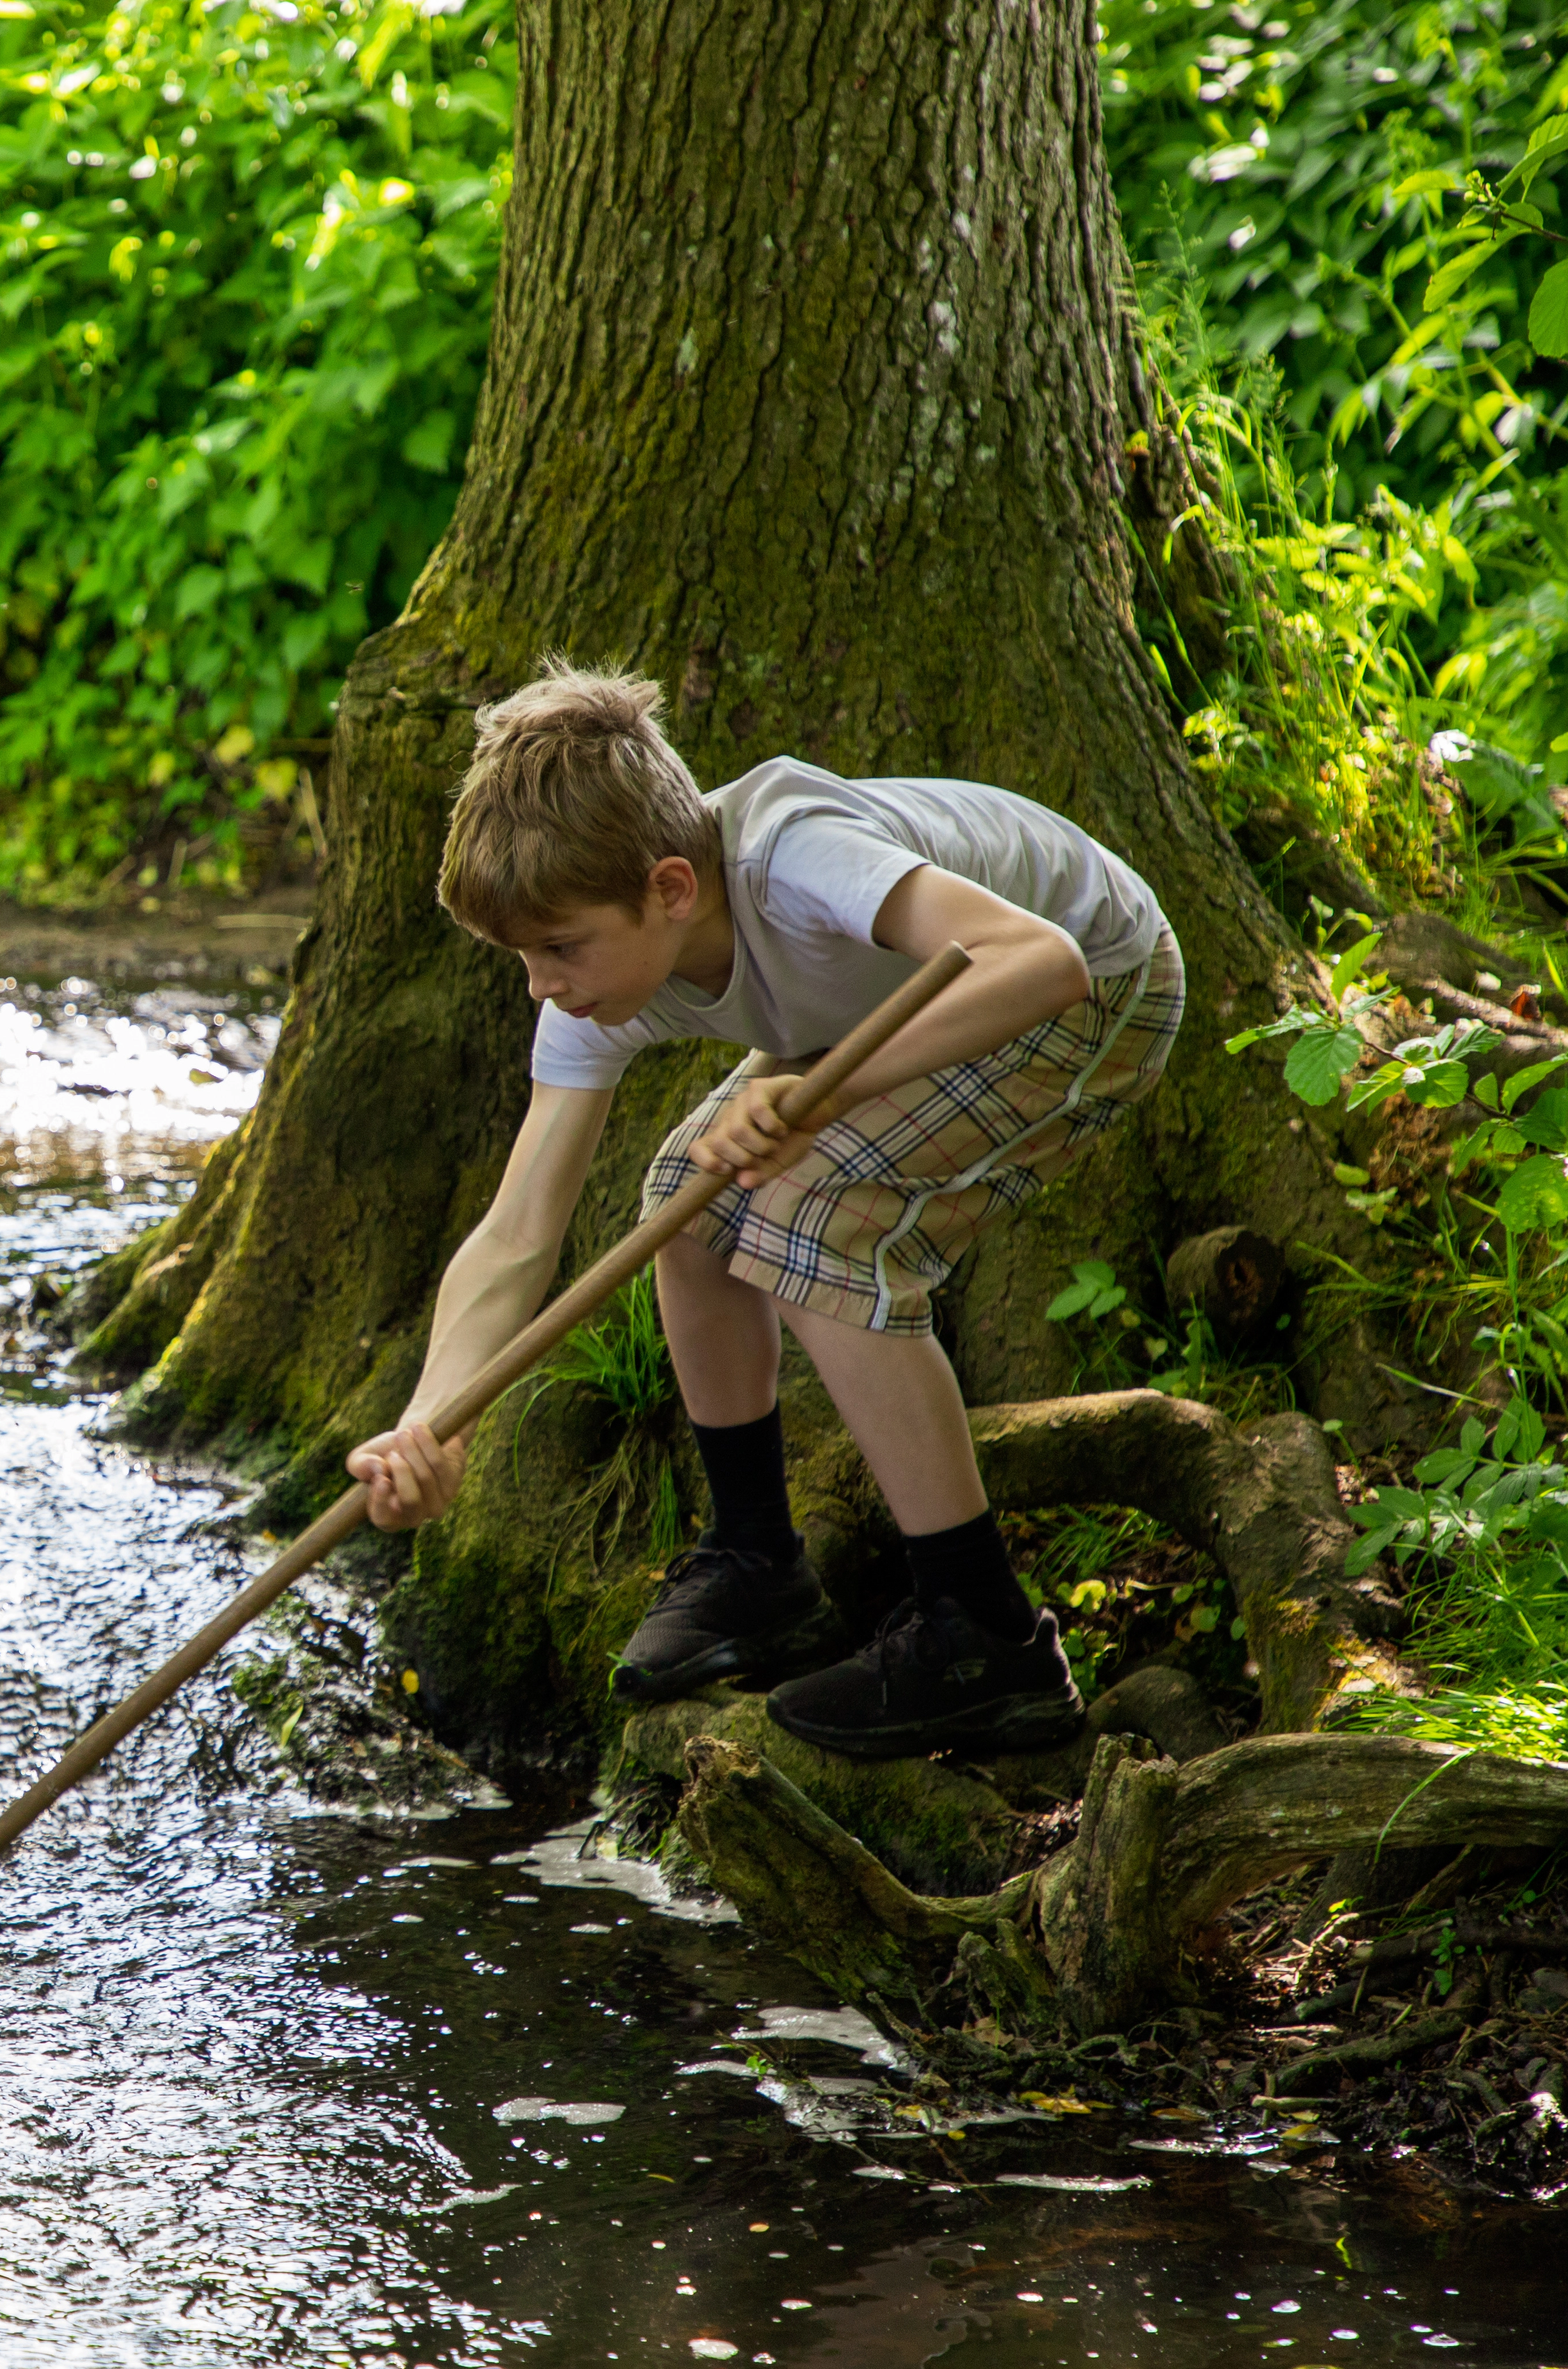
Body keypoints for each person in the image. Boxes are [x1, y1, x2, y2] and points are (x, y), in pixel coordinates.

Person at [342, 664, 1183, 1757]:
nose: (541, 987)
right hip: (900, 1007)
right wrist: (431, 1422)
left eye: (559, 949)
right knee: (685, 1206)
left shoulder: (795, 854)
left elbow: (1042, 961)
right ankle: (756, 1562)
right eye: (521, 957)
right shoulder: (598, 973)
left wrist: (819, 1095)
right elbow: (516, 1233)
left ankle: (985, 1633)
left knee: (812, 1213)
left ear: (672, 888)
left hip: (1098, 984)